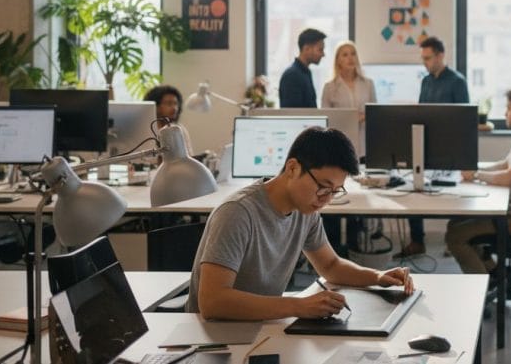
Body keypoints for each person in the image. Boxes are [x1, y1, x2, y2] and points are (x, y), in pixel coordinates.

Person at [187, 126, 414, 319]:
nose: (326, 199)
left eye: (335, 191)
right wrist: (299, 306)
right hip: (214, 336)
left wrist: (377, 277)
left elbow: (331, 267)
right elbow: (212, 302)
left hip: (262, 327)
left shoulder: (306, 210)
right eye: (323, 187)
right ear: (293, 168)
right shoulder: (238, 213)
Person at [444, 87, 511, 278]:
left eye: (509, 108)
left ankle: (479, 290)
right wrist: (474, 168)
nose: (505, 113)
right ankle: (494, 274)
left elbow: (509, 178)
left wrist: (477, 175)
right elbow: (505, 164)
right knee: (456, 223)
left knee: (455, 237)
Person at [396, 36, 470, 259]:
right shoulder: (426, 81)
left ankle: (453, 240)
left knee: (453, 193)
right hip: (425, 143)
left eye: (428, 58)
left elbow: (464, 117)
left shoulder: (457, 81)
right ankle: (417, 241)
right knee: (414, 187)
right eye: (423, 58)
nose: (425, 62)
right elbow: (422, 112)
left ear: (440, 56)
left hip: (450, 145)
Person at [321, 40, 377, 156]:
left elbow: (375, 112)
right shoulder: (329, 87)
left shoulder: (368, 84)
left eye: (353, 54)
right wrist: (349, 118)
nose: (350, 58)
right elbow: (325, 119)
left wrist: (364, 116)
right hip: (339, 144)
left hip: (364, 144)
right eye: (345, 55)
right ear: (338, 60)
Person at [279, 28, 326, 108]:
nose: (323, 54)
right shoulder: (292, 76)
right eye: (320, 50)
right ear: (306, 49)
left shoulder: (305, 73)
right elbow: (293, 114)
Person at [143, 84, 193, 155]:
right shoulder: (144, 130)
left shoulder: (179, 130)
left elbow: (190, 157)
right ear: (156, 106)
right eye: (169, 103)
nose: (174, 108)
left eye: (176, 104)